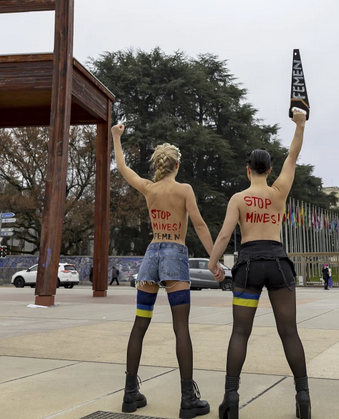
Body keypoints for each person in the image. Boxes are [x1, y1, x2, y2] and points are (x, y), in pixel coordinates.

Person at [208, 109, 310, 419]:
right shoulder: (279, 192)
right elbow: (293, 156)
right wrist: (300, 125)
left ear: (248, 169)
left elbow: (225, 235)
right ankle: (303, 397)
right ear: (268, 169)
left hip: (249, 264)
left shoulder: (238, 198)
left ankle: (231, 399)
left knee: (240, 333)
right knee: (289, 332)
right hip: (278, 262)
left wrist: (214, 264)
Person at [112, 124, 214, 418]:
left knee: (139, 325)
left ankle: (130, 394)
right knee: (180, 327)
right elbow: (199, 224)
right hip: (174, 255)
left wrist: (116, 137)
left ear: (158, 165)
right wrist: (214, 259)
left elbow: (122, 167)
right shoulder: (184, 190)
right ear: (177, 165)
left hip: (151, 256)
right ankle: (187, 399)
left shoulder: (149, 187)